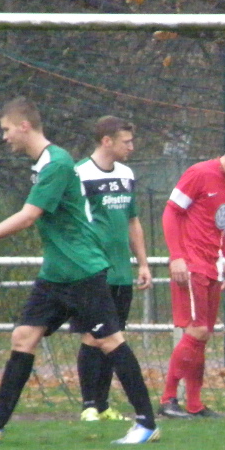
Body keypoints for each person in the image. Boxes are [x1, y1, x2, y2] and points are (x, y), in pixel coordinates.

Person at [0, 97, 159, 444]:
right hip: (56, 272)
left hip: (82, 270)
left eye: (6, 129)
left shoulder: (57, 163)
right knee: (23, 337)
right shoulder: (45, 163)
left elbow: (29, 216)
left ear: (24, 126)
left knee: (110, 341)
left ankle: (147, 423)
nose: (4, 137)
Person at [158, 131, 225, 418]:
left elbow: (218, 224)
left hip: (213, 265)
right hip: (192, 265)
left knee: (203, 337)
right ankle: (168, 399)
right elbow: (170, 213)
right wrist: (177, 256)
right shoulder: (198, 173)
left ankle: (194, 404)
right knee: (197, 331)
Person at [75, 116, 153, 422]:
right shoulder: (79, 174)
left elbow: (133, 221)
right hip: (93, 271)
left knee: (114, 337)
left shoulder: (126, 174)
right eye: (126, 141)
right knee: (94, 336)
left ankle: (104, 405)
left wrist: (143, 263)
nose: (131, 147)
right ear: (107, 141)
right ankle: (88, 405)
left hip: (122, 272)